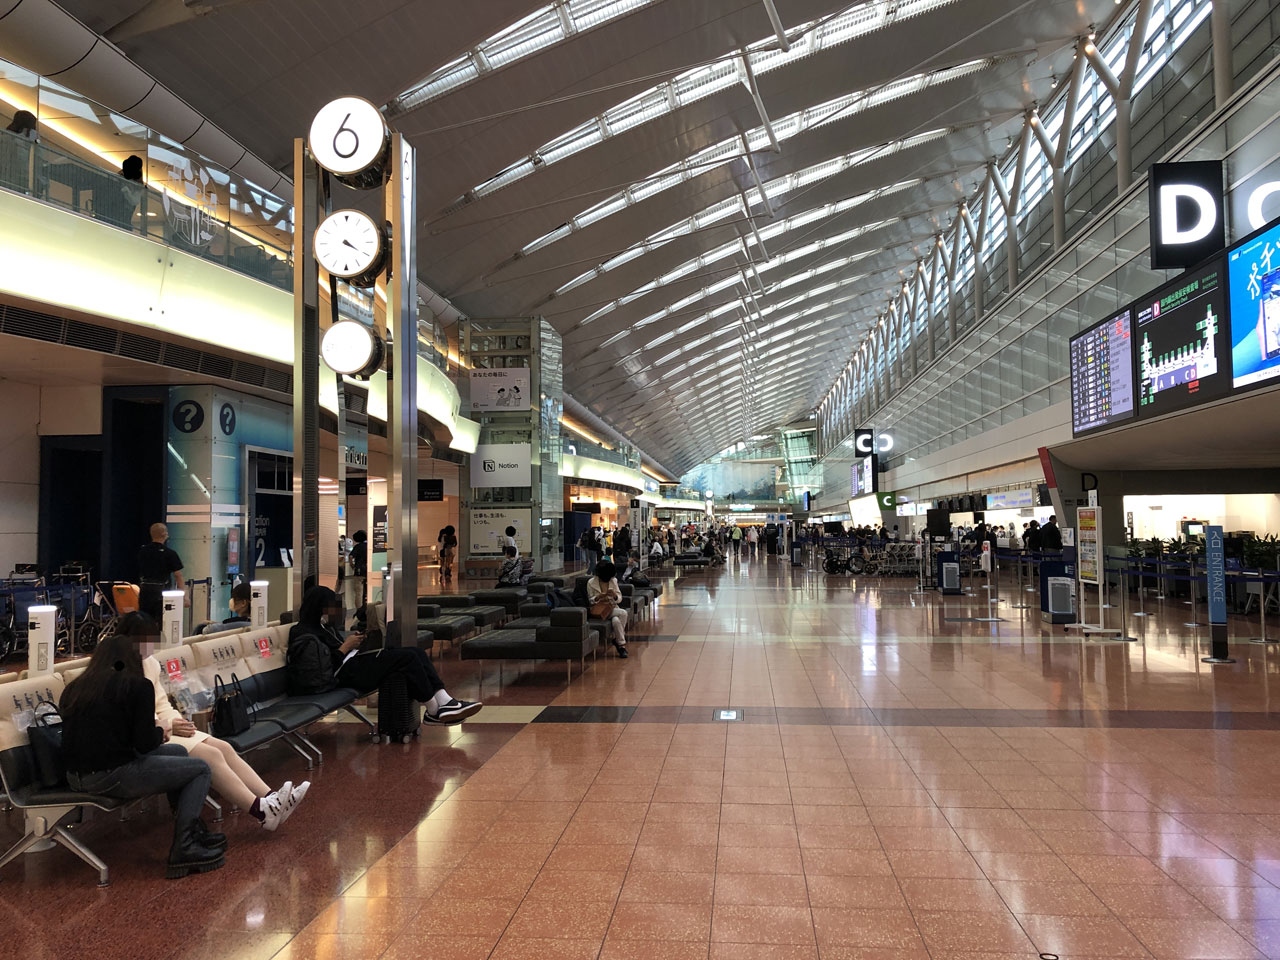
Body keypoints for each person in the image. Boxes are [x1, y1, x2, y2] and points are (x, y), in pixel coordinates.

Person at [60, 627, 223, 879]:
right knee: (200, 768)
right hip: (111, 774)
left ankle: (193, 830)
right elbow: (145, 744)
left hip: (76, 776)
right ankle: (185, 846)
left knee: (179, 752)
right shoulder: (137, 686)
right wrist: (161, 731)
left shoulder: (75, 688)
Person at [124, 611, 309, 829]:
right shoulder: (120, 671)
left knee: (224, 748)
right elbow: (135, 717)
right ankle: (261, 811)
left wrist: (177, 722)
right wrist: (169, 725)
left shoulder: (150, 664)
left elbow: (161, 703)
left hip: (166, 729)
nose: (149, 647)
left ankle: (272, 798)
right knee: (211, 755)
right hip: (149, 735)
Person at [286, 586, 481, 723]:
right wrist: (344, 648)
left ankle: (444, 700)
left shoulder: (324, 627)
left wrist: (354, 644)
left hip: (353, 664)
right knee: (408, 658)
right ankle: (433, 710)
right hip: (343, 675)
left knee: (415, 652)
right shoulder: (303, 632)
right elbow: (321, 669)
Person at [138, 522, 185, 622]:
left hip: (145, 591)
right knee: (162, 621)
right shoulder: (170, 553)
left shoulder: (142, 551)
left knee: (145, 620)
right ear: (165, 534)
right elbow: (178, 575)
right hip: (162, 592)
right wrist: (184, 596)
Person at [587, 560, 628, 659]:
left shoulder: (613, 581)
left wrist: (614, 596)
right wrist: (598, 597)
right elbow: (590, 600)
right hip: (599, 610)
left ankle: (620, 645)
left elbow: (619, 598)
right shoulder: (591, 583)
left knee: (616, 621)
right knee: (623, 613)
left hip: (611, 608)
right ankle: (620, 644)